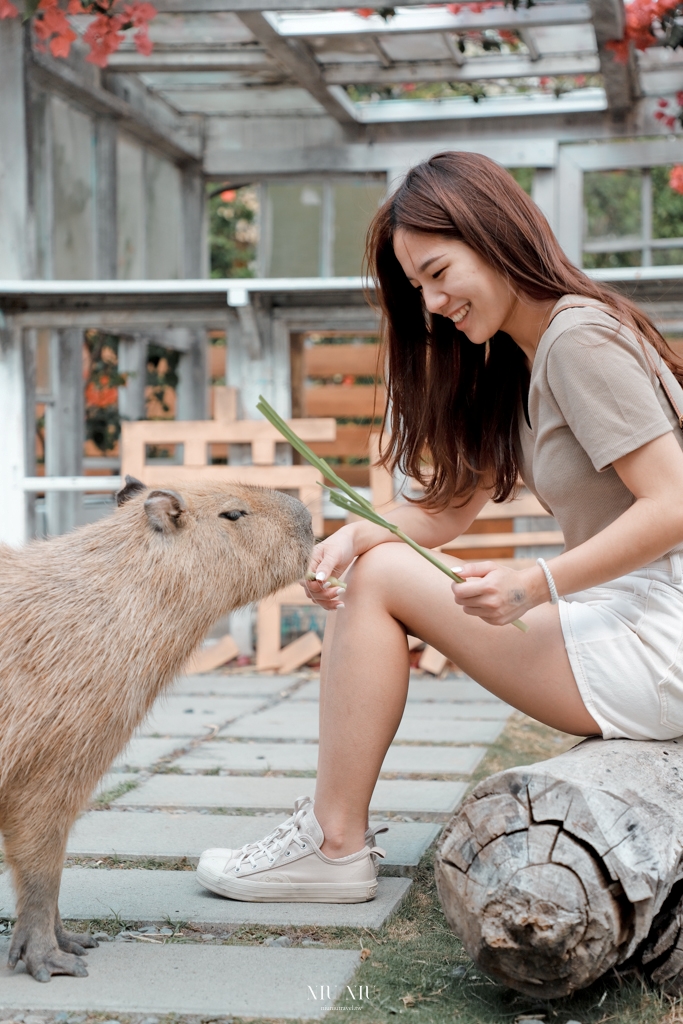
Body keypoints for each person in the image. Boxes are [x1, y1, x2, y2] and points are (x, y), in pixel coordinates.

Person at [197, 151, 683, 904]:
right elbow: (450, 507)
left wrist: (535, 581)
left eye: (436, 271)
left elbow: (673, 502)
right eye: (416, 286)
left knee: (385, 580)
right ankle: (332, 840)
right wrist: (354, 534)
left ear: (490, 233)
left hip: (663, 638)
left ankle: (332, 845)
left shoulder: (576, 338)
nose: (430, 303)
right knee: (378, 565)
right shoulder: (524, 355)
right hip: (638, 621)